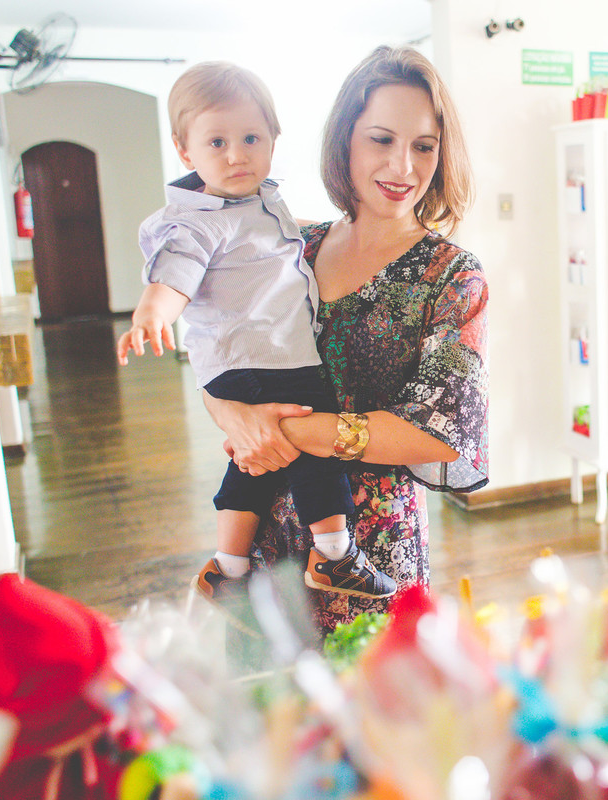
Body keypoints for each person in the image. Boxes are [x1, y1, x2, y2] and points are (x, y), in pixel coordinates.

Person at [202, 45, 488, 636]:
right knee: (276, 718)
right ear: (345, 141)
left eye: (423, 146)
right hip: (263, 532)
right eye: (381, 140)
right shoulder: (289, 247)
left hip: (370, 553)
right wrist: (233, 416)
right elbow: (220, 353)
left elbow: (440, 434)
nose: (402, 166)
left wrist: (274, 431)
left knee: (367, 717)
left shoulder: (451, 276)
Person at [117, 61, 397, 625]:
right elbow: (174, 273)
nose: (236, 154)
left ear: (273, 140)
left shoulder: (264, 204)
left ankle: (229, 565)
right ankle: (336, 552)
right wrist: (154, 312)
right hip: (260, 357)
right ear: (185, 149)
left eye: (251, 138)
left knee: (256, 460)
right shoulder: (197, 221)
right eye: (216, 142)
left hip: (251, 362)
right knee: (314, 442)